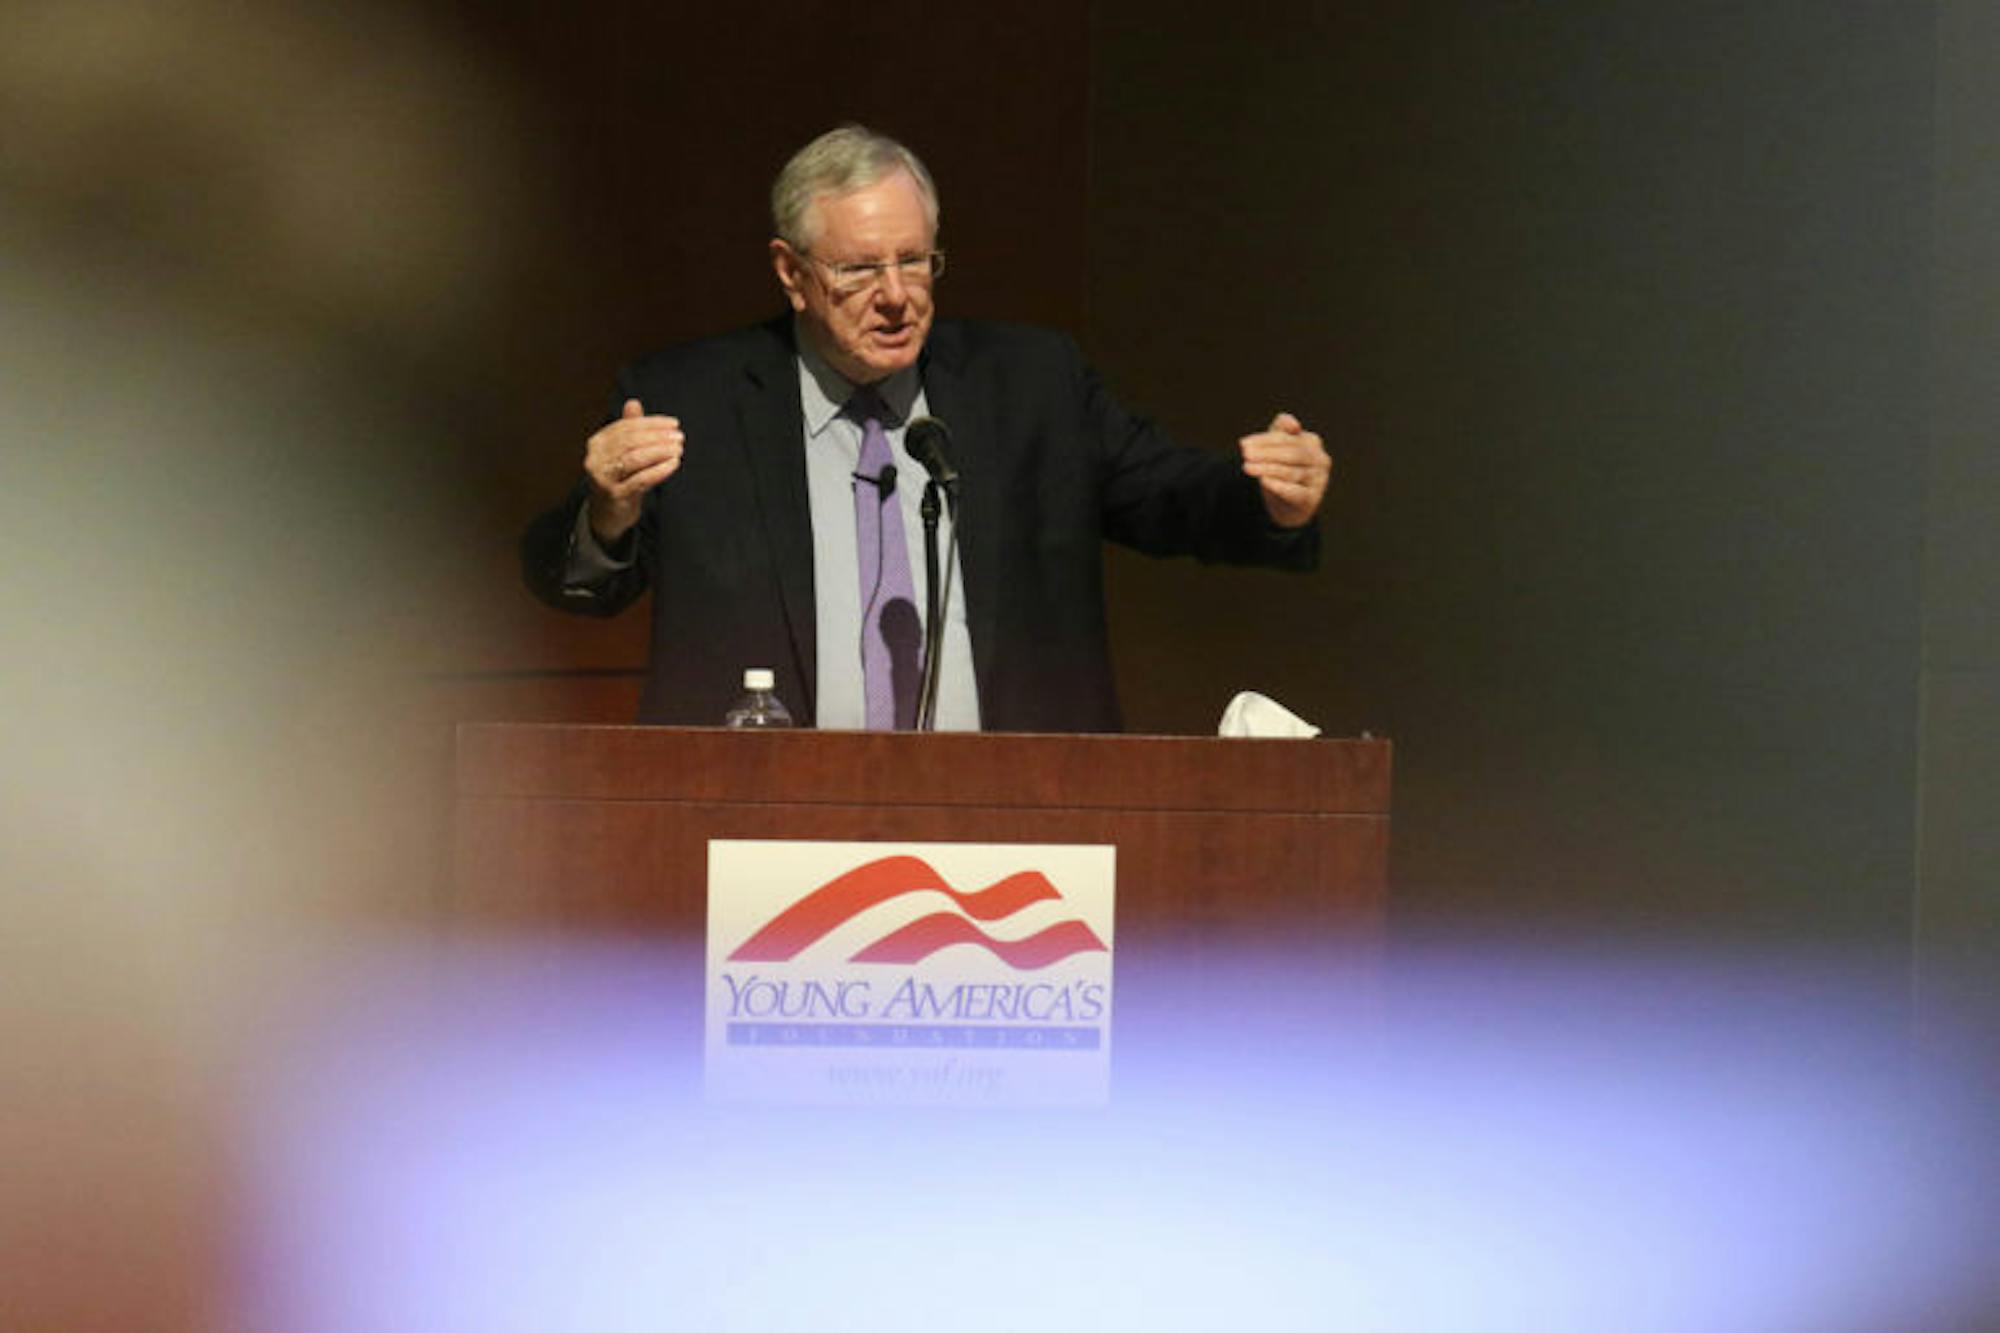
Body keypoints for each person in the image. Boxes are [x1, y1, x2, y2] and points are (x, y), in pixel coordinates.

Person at [521, 125, 1332, 732]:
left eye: (915, 260)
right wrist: (606, 513)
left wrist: (1267, 500)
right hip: (759, 838)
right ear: (790, 272)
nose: (897, 294)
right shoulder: (689, 397)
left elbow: (1169, 496)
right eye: (860, 269)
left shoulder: (1030, 385)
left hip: (1022, 830)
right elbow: (576, 585)